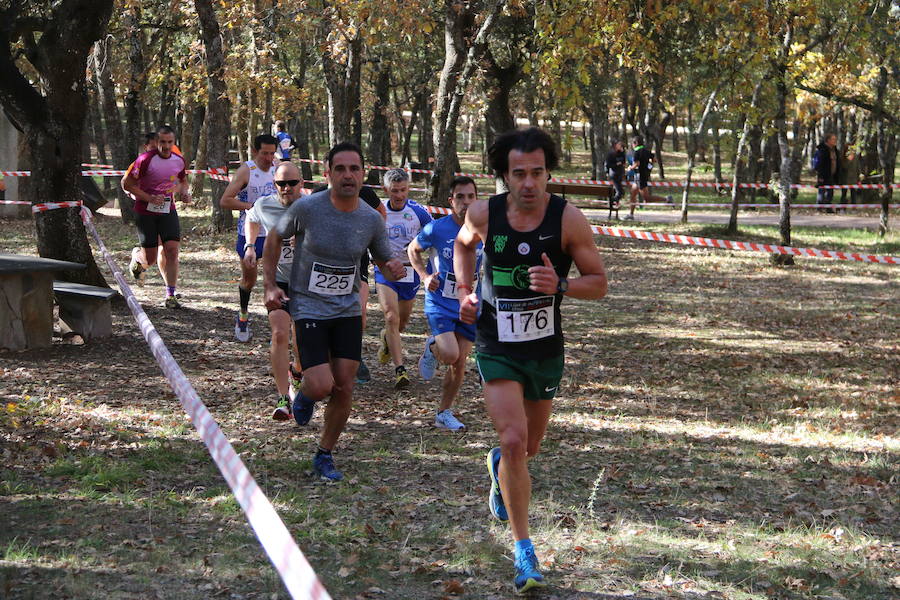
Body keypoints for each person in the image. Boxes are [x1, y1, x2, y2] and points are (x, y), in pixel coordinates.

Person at [454, 127, 608, 593]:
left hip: (543, 349)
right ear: (503, 176)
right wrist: (464, 292)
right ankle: (525, 552)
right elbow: (462, 245)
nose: (528, 183)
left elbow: (598, 283)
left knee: (529, 446)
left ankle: (500, 465)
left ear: (547, 174)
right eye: (518, 174)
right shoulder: (483, 214)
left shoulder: (568, 219)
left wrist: (560, 285)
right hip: (496, 343)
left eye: (537, 173)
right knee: (516, 438)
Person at [263, 142, 405, 481]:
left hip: (346, 310)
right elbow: (272, 239)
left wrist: (392, 267)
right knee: (322, 384)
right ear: (327, 173)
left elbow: (383, 257)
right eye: (340, 169)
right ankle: (307, 394)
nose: (347, 175)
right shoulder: (308, 209)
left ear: (363, 174)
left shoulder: (370, 219)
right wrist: (270, 284)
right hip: (309, 305)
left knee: (344, 386)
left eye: (354, 169)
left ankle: (324, 454)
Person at [407, 176, 482, 431]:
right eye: (460, 197)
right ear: (451, 201)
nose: (466, 202)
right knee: (450, 354)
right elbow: (412, 250)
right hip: (440, 301)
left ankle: (443, 412)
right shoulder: (437, 229)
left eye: (471, 196)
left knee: (460, 362)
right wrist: (425, 277)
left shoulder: (484, 229)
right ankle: (433, 347)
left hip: (469, 303)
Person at [311, 167, 388, 384]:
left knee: (358, 311)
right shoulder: (316, 197)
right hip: (324, 266)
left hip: (356, 263)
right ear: (327, 173)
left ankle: (353, 355)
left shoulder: (364, 193)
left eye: (353, 170)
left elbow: (381, 213)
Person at [244, 161, 306, 420]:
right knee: (280, 334)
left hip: (307, 284)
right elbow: (251, 218)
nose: (287, 188)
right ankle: (283, 398)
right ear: (274, 185)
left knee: (302, 342)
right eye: (281, 183)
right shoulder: (264, 204)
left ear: (301, 183)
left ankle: (298, 371)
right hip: (277, 282)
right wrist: (249, 245)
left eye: (292, 183)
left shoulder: (312, 207)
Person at [374, 168, 432, 389]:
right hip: (385, 269)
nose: (399, 195)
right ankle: (400, 370)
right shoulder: (378, 211)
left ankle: (388, 338)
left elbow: (432, 235)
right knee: (391, 316)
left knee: (401, 322)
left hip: (410, 271)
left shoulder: (419, 211)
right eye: (395, 191)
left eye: (404, 190)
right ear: (386, 190)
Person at [122, 125, 191, 308]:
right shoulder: (145, 160)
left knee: (172, 251)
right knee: (151, 258)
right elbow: (126, 184)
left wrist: (185, 193)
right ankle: (138, 256)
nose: (166, 146)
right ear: (156, 142)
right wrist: (149, 198)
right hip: (145, 212)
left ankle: (170, 295)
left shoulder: (178, 160)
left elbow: (183, 180)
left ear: (174, 142)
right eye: (162, 142)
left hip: (168, 210)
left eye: (170, 142)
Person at [219, 134, 278, 341]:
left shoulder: (278, 168)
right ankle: (243, 315)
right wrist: (252, 207)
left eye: (272, 153)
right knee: (249, 280)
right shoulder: (247, 170)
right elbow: (225, 200)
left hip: (273, 233)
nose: (269, 158)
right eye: (264, 153)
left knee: (276, 281)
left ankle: (277, 327)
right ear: (255, 151)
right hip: (249, 233)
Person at [625, 135, 672, 220]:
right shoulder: (646, 151)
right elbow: (654, 160)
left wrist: (630, 168)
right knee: (633, 195)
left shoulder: (636, 152)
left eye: (632, 143)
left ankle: (666, 199)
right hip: (641, 176)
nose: (632, 145)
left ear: (636, 143)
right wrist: (648, 165)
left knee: (647, 198)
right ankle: (631, 214)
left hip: (640, 177)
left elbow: (637, 164)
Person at [814, 133, 840, 214]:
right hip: (823, 174)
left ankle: (828, 207)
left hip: (832, 174)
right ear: (828, 140)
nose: (835, 141)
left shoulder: (834, 150)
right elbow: (820, 164)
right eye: (833, 139)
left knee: (830, 192)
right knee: (821, 191)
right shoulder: (822, 150)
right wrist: (820, 176)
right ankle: (820, 207)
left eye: (835, 139)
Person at [604, 139, 627, 207]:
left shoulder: (621, 153)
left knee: (619, 191)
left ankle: (614, 203)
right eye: (619, 144)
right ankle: (612, 201)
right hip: (614, 174)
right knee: (620, 192)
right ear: (615, 145)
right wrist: (617, 164)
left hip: (620, 173)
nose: (620, 146)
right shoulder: (611, 154)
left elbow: (623, 162)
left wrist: (623, 153)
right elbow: (608, 165)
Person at [839, 145, 860, 209]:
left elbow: (858, 167)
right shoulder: (843, 157)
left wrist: (859, 177)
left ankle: (854, 208)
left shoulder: (856, 157)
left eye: (852, 149)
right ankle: (842, 208)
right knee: (844, 194)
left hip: (854, 179)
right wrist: (849, 160)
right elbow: (844, 167)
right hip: (845, 179)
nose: (851, 151)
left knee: (853, 194)